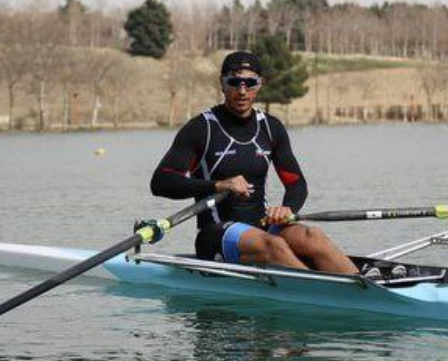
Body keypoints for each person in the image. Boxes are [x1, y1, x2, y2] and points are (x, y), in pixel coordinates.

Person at [150, 51, 359, 275]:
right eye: (234, 82)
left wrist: (287, 209)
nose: (242, 91)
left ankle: (364, 287)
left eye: (250, 83)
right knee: (275, 245)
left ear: (260, 85)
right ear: (222, 84)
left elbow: (297, 183)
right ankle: (325, 292)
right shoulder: (201, 129)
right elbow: (161, 182)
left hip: (262, 227)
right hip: (215, 235)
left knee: (313, 236)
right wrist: (219, 185)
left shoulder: (270, 127)